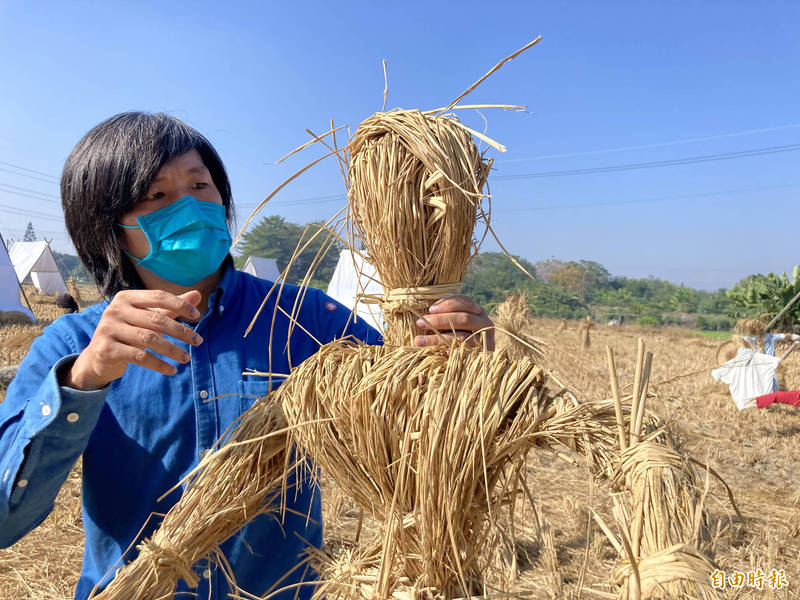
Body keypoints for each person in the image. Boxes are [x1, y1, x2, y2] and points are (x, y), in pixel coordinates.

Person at [0, 112, 494, 600]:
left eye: (200, 186)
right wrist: (85, 379)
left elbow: (414, 439)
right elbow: (6, 517)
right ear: (105, 224)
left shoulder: (307, 319)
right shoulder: (72, 346)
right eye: (156, 196)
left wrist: (461, 373)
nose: (190, 209)